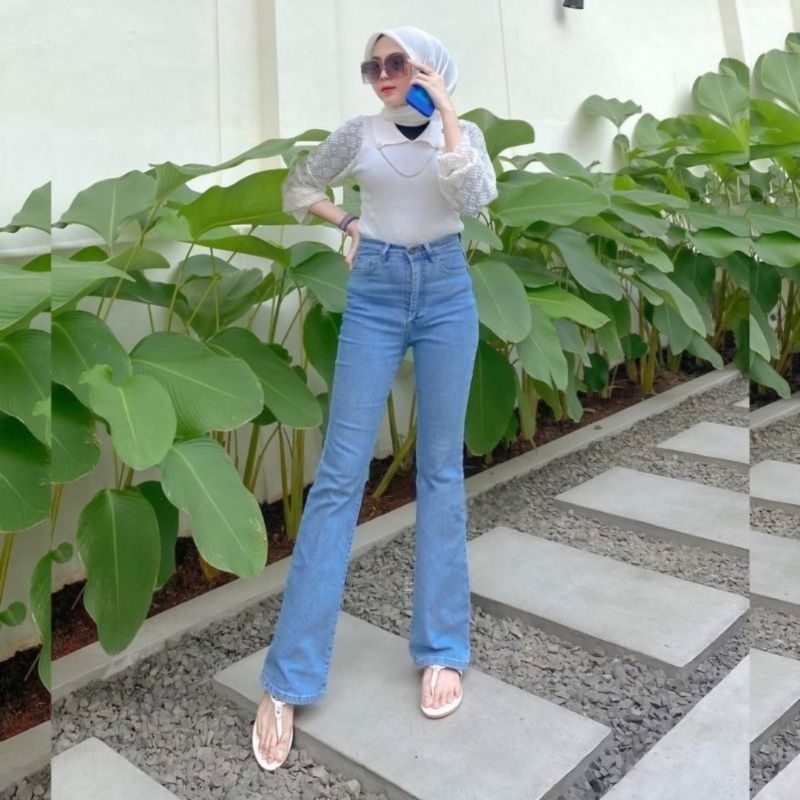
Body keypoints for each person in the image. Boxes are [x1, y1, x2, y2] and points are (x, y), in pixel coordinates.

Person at [253, 25, 497, 771]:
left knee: (441, 471)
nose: (383, 74)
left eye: (398, 62)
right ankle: (288, 679)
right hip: (377, 293)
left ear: (429, 67)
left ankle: (442, 648)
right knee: (338, 478)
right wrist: (350, 222)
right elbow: (299, 187)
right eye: (374, 65)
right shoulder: (358, 134)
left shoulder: (465, 136)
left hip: (448, 290)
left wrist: (446, 109)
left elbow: (474, 197)